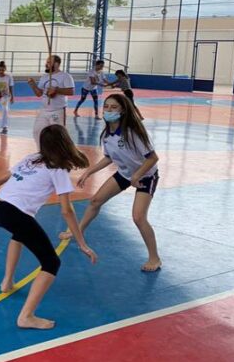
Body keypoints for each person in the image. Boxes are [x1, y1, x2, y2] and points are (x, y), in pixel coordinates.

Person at [0, 125, 97, 329]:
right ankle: (26, 316)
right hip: (15, 214)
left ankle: (7, 282)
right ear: (66, 143)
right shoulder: (58, 169)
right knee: (51, 263)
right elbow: (67, 211)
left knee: (19, 235)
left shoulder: (32, 158)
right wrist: (81, 242)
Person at [60, 94, 160, 272]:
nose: (109, 110)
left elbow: (152, 158)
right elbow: (108, 158)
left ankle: (155, 258)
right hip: (125, 173)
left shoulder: (132, 133)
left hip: (145, 176)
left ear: (123, 110)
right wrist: (89, 172)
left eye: (114, 107)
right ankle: (78, 231)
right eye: (107, 107)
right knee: (95, 201)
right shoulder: (107, 134)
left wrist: (137, 175)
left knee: (138, 217)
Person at [28, 55, 75, 148]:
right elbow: (39, 94)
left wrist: (56, 90)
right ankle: (42, 153)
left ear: (57, 64)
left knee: (58, 135)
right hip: (44, 110)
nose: (46, 64)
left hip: (57, 110)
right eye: (47, 62)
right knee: (37, 131)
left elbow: (71, 91)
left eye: (49, 62)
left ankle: (60, 155)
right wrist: (33, 85)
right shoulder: (44, 77)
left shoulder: (65, 76)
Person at [0, 61, 14, 134]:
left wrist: (12, 96)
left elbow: (11, 86)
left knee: (5, 109)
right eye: (0, 70)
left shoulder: (9, 77)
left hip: (5, 96)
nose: (1, 71)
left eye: (3, 70)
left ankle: (4, 125)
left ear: (5, 69)